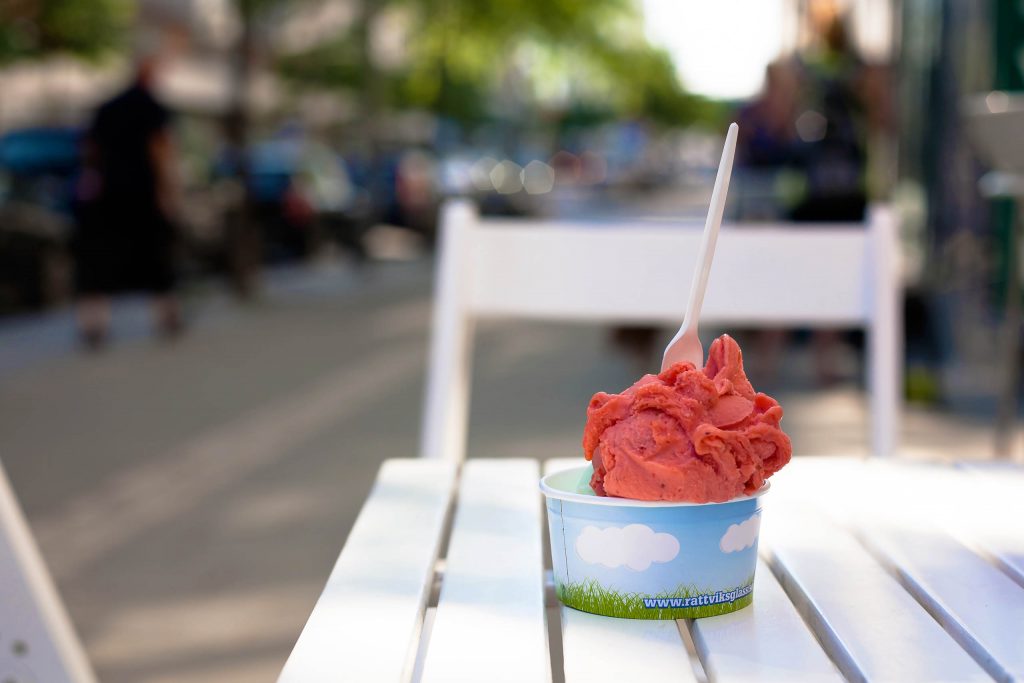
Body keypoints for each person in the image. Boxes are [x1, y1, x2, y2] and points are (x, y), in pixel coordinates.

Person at [73, 45, 181, 348]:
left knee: (100, 260)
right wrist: (167, 192)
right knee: (156, 255)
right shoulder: (151, 106)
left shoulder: (107, 107)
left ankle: (94, 324)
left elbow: (90, 151)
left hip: (107, 194)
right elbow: (159, 151)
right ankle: (167, 317)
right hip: (142, 193)